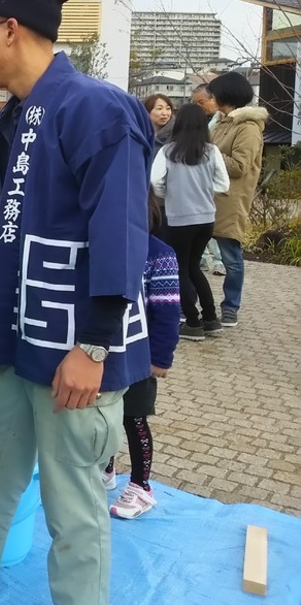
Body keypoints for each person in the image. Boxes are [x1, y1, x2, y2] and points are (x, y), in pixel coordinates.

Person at [0, 0, 153, 605]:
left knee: (73, 504)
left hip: (76, 351)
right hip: (19, 343)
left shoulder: (98, 111)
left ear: (11, 30)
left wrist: (96, 346)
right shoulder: (5, 124)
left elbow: (122, 235)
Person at [102, 196, 181, 519]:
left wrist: (160, 359)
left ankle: (141, 486)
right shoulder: (107, 249)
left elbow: (167, 312)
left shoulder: (160, 256)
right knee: (105, 416)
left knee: (133, 419)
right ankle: (106, 468)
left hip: (140, 357)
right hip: (108, 352)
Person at [150, 104, 230, 340]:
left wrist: (172, 194)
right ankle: (211, 319)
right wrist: (203, 191)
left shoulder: (168, 151)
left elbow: (155, 182)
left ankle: (193, 323)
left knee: (180, 270)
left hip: (179, 219)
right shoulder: (212, 151)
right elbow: (224, 185)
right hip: (206, 219)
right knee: (194, 267)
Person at [207, 71, 267, 328]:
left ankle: (231, 307)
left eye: (214, 93)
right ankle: (197, 306)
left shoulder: (248, 128)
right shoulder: (222, 122)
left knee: (231, 257)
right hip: (208, 198)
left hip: (230, 200)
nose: (211, 98)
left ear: (226, 94)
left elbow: (240, 166)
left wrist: (208, 154)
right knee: (192, 256)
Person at [191, 83, 226, 276]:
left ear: (213, 99)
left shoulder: (221, 121)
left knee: (212, 225)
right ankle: (204, 258)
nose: (199, 106)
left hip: (210, 185)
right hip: (200, 186)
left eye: (202, 102)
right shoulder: (203, 120)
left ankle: (218, 261)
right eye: (196, 103)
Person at [145, 93, 175, 158]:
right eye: (159, 108)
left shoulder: (176, 134)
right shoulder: (141, 133)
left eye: (168, 108)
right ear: (147, 111)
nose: (165, 113)